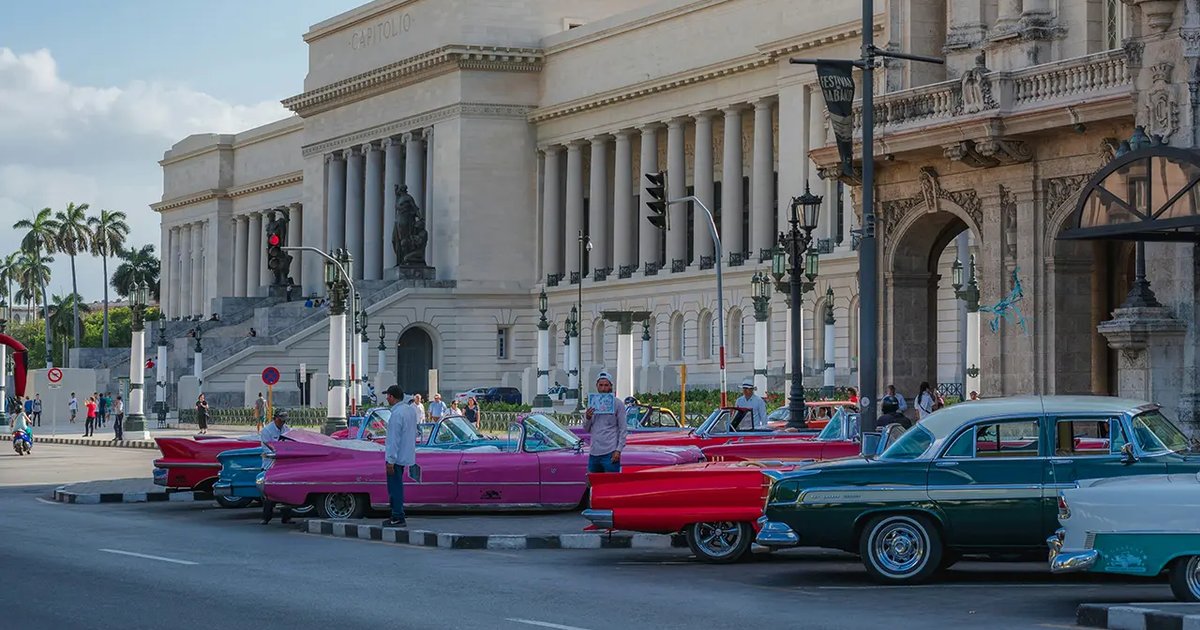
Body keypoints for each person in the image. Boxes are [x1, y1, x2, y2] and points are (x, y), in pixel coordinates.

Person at [383, 385, 417, 528]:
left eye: (388, 396)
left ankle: (397, 515)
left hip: (396, 457)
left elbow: (393, 439)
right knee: (398, 485)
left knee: (395, 487)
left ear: (392, 397)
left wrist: (390, 460)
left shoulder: (397, 414)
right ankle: (396, 513)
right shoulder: (410, 410)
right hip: (406, 454)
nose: (386, 398)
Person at [582, 372, 627, 473]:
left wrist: (618, 450)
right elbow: (586, 428)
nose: (603, 388)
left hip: (610, 452)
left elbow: (623, 429)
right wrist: (588, 417)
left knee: (610, 484)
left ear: (611, 386)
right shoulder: (592, 403)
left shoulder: (618, 404)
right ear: (597, 386)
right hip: (594, 452)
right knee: (593, 483)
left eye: (606, 385)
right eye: (601, 385)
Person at [260, 410, 294, 525]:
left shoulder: (286, 429)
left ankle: (286, 517)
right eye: (280, 420)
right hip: (270, 465)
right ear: (275, 419)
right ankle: (266, 518)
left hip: (284, 465)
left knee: (286, 492)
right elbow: (267, 449)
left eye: (284, 420)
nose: (282, 423)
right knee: (269, 495)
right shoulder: (267, 431)